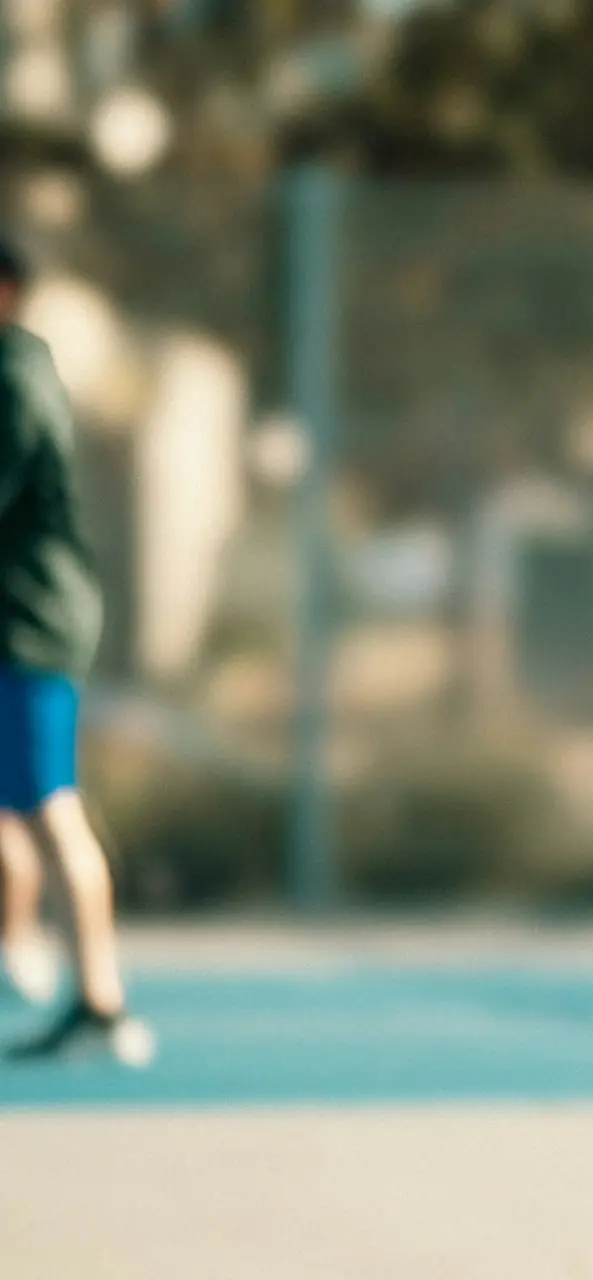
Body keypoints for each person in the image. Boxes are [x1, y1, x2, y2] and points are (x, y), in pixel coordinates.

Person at [0, 237, 150, 1065]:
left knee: (48, 806)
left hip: (28, 627)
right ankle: (18, 947)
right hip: (13, 624)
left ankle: (100, 998)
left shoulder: (15, 382)